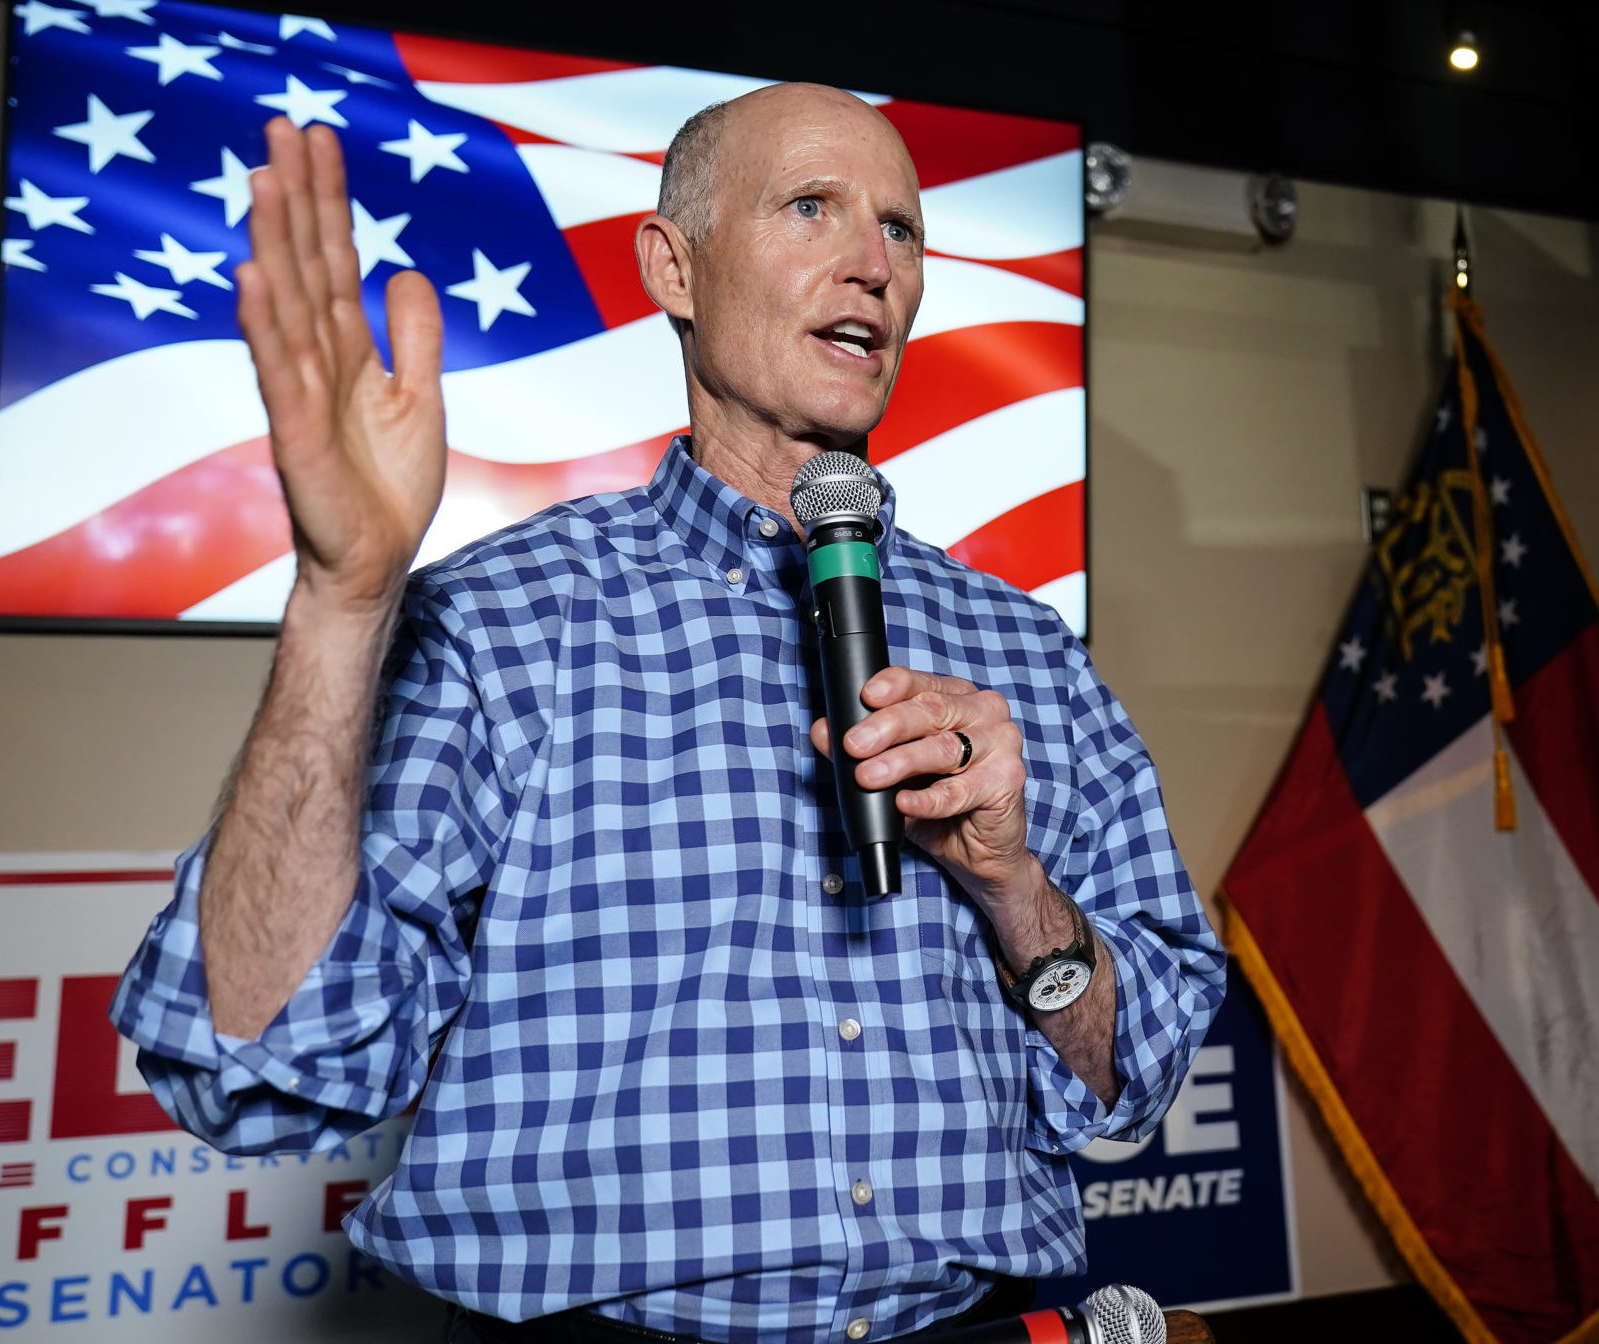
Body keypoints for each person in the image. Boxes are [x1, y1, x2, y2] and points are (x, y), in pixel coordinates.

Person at [109, 87, 1224, 1344]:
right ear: (672, 265)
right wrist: (340, 601)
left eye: (903, 233)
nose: (873, 264)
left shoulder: (1026, 652)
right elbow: (257, 1068)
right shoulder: (494, 626)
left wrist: (1013, 888)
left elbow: (1133, 1081)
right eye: (813, 208)